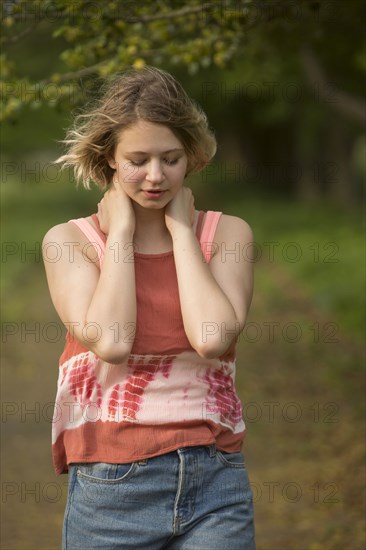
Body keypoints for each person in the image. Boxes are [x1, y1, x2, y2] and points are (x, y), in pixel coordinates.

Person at [42, 66, 256, 549]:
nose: (156, 177)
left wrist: (183, 232)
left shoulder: (227, 234)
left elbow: (212, 337)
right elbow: (113, 341)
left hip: (215, 479)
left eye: (171, 159)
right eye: (137, 160)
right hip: (110, 485)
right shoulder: (69, 242)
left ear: (192, 157)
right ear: (109, 161)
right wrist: (120, 233)